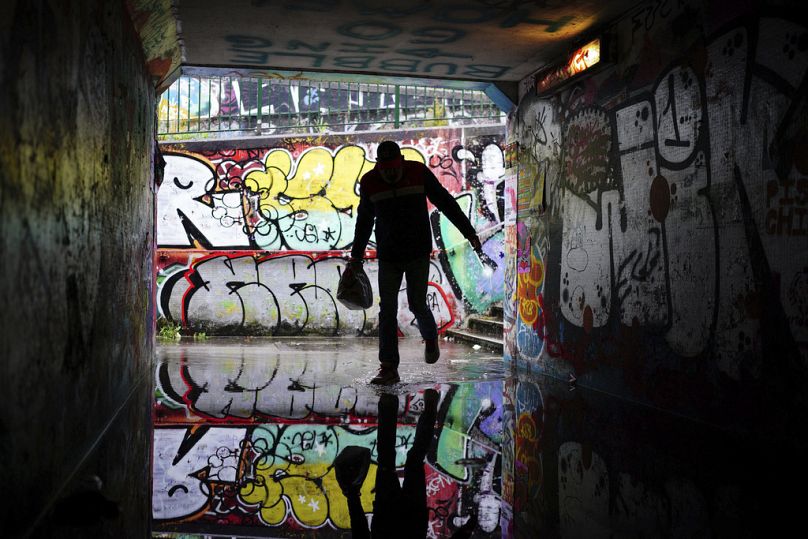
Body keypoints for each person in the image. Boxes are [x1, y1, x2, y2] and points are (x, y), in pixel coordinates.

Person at [350, 141, 482, 385]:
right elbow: (364, 222)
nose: (390, 172)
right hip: (389, 255)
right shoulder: (370, 182)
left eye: (393, 166)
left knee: (417, 303)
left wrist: (469, 232)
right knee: (387, 309)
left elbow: (445, 202)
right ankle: (388, 367)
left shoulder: (418, 172)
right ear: (378, 165)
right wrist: (355, 256)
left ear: (401, 160)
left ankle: (430, 337)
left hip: (417, 253)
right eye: (385, 167)